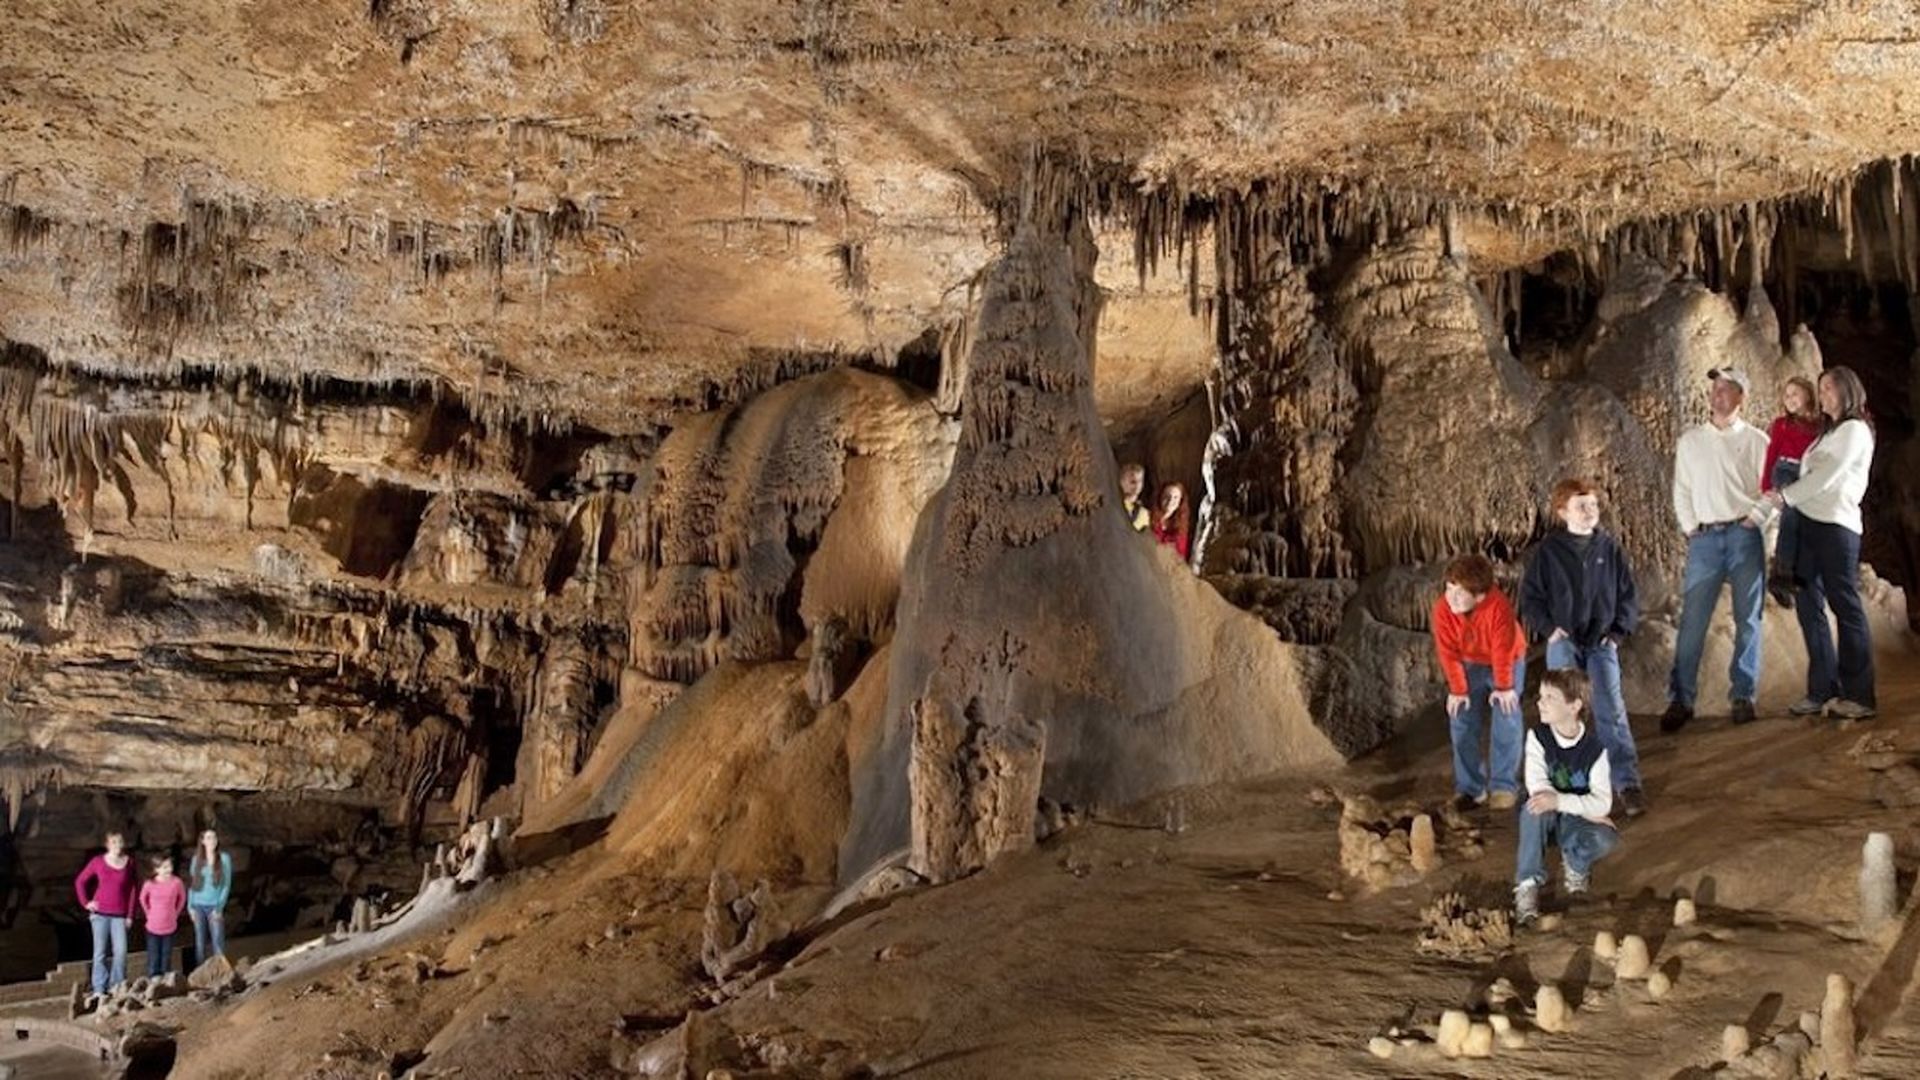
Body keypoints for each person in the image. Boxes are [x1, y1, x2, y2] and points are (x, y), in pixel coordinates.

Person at [1518, 477, 1646, 817]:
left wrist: (1618, 632)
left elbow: (1628, 593)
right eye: (1581, 506)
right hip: (1565, 640)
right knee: (1559, 710)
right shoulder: (1549, 551)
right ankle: (1560, 783)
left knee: (1610, 709)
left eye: (1593, 505)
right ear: (1563, 512)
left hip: (1601, 641)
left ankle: (1626, 782)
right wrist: (1549, 629)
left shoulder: (1609, 548)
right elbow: (1530, 597)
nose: (1590, 511)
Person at [1758, 366, 1877, 720]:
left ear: (1847, 390)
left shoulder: (1854, 430)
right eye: (1821, 389)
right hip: (1811, 524)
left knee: (1846, 607)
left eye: (1829, 389)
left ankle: (1860, 695)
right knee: (1810, 606)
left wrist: (1787, 496)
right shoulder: (1828, 432)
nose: (1822, 395)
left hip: (1836, 528)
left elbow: (1826, 475)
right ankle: (1822, 688)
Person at [1662, 367, 1770, 732]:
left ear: (1740, 397)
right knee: (1692, 620)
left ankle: (1743, 694)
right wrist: (1691, 528)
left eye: (1725, 389)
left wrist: (1756, 520)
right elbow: (1682, 489)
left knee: (1748, 619)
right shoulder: (1691, 441)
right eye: (1714, 389)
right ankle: (1681, 698)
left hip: (1744, 535)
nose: (1717, 395)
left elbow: (1769, 491)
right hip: (1705, 539)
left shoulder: (1758, 441)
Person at [1514, 668, 1619, 925]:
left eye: (1550, 697)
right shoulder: (1538, 737)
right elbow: (1537, 785)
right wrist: (1583, 808)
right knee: (1534, 808)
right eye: (1540, 696)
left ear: (1574, 706)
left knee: (1606, 837)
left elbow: (1603, 802)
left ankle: (1576, 865)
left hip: (1572, 819)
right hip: (1546, 820)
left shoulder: (1594, 750)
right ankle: (1527, 885)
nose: (1540, 703)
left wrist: (1561, 801)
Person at [1431, 554, 1528, 812]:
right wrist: (1458, 690)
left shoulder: (1498, 608)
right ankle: (1471, 789)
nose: (1450, 597)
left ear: (1480, 596)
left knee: (1506, 717)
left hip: (1507, 659)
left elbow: (1503, 650)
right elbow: (1447, 652)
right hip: (1470, 661)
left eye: (1459, 592)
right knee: (1461, 717)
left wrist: (1505, 687)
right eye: (1449, 589)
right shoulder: (1443, 609)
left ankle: (1504, 786)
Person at [1762, 376, 1823, 607]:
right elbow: (1771, 454)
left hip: (1806, 471)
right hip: (1785, 469)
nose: (1789, 399)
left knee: (1805, 519)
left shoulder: (1819, 427)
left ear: (1808, 395)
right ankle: (1781, 574)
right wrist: (1767, 485)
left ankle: (1798, 571)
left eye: (1794, 394)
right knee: (1791, 515)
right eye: (1786, 395)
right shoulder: (1781, 424)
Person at [74, 831, 139, 995]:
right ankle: (99, 988)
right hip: (100, 913)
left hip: (119, 914)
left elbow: (133, 890)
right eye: (114, 842)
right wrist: (86, 903)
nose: (117, 845)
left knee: (121, 952)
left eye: (120, 842)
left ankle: (116, 985)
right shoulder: (98, 862)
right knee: (100, 952)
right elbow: (80, 881)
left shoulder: (129, 862)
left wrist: (130, 915)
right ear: (108, 844)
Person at [188, 829, 234, 968]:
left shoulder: (224, 858)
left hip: (214, 905)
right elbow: (193, 884)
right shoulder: (196, 859)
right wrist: (190, 907)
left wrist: (219, 907)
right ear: (202, 841)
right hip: (198, 905)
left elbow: (226, 885)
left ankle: (221, 974)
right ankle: (201, 976)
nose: (212, 840)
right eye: (208, 838)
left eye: (214, 837)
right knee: (200, 944)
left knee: (218, 942)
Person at [138, 855, 187, 978]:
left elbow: (182, 898)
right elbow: (142, 898)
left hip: (169, 926)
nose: (168, 870)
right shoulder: (150, 883)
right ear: (156, 869)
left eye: (169, 866)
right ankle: (153, 979)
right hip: (153, 926)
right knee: (154, 955)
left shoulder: (176, 882)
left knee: (166, 955)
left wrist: (176, 913)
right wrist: (148, 913)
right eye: (164, 867)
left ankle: (165, 979)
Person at [1151, 482, 1191, 560]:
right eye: (1167, 496)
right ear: (1160, 497)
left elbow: (1180, 556)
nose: (1170, 501)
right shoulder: (1147, 517)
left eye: (1175, 497)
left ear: (1180, 502)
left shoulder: (1181, 527)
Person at [1118, 463, 1152, 532]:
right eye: (1132, 482)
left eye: (1140, 481)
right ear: (1121, 482)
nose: (1137, 486)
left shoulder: (1144, 514)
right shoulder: (1112, 505)